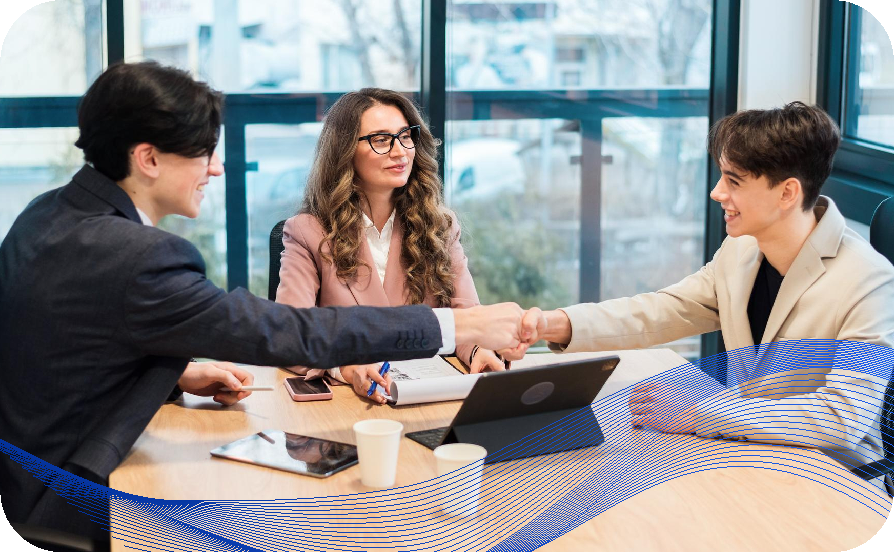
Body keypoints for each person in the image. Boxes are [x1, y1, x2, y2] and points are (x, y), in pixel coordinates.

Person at [0, 62, 533, 541]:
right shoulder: (142, 256)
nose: (216, 169)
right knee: (314, 525)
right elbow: (288, 332)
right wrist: (453, 327)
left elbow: (68, 345)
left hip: (27, 472)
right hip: (73, 490)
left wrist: (175, 373)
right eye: (205, 152)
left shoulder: (46, 214)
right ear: (148, 158)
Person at [523, 102, 894, 485]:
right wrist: (553, 325)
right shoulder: (742, 250)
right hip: (749, 457)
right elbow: (662, 310)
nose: (717, 193)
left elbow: (841, 420)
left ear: (786, 193)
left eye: (734, 181)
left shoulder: (869, 281)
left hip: (834, 482)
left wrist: (701, 410)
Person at [276, 88, 520, 403]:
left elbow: (467, 315)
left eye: (406, 136)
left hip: (430, 396)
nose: (400, 151)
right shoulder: (307, 232)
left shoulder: (439, 227)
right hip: (351, 407)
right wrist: (347, 368)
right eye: (380, 140)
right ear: (344, 150)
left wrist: (478, 351)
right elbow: (290, 337)